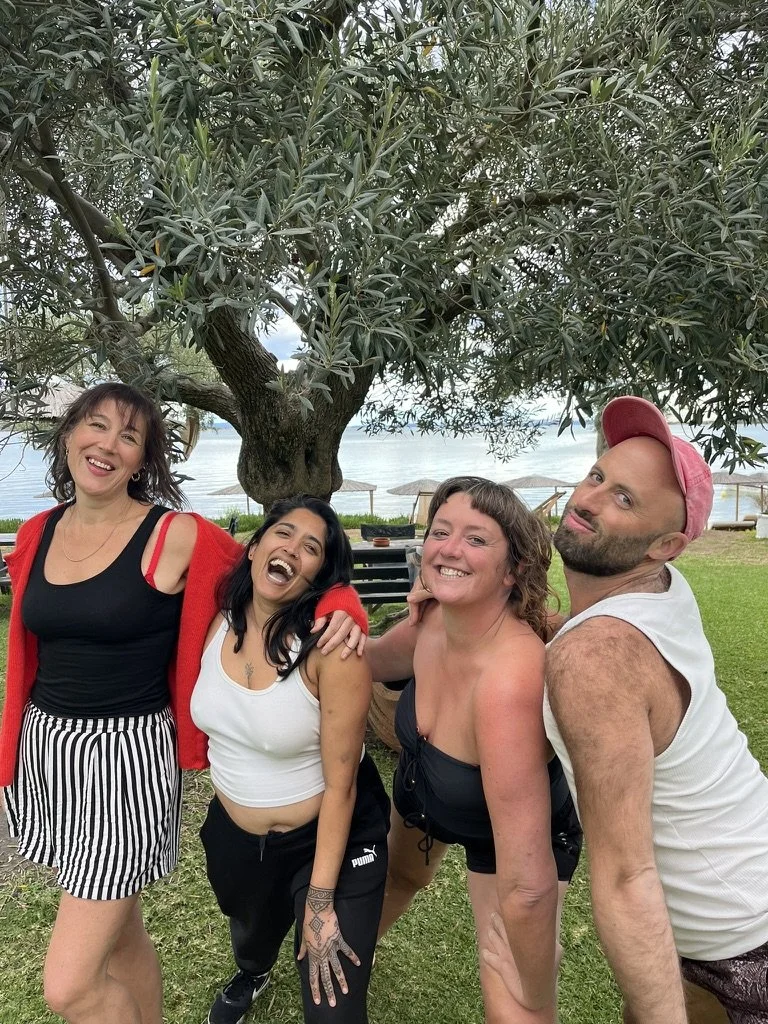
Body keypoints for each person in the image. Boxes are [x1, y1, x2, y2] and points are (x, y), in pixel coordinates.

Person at [0, 382, 367, 1024]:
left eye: (129, 436)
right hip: (47, 757)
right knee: (123, 933)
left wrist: (343, 608)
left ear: (144, 460)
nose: (107, 445)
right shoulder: (36, 532)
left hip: (121, 761)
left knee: (70, 986)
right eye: (95, 425)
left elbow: (272, 570)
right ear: (67, 434)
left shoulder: (173, 535)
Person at [526, 396, 768, 1024]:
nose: (588, 499)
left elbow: (627, 877)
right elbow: (604, 646)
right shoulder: (662, 591)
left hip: (742, 937)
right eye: (598, 475)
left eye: (625, 499)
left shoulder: (593, 659)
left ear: (666, 544)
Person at [364, 476, 582, 1024]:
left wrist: (532, 980)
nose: (450, 548)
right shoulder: (431, 623)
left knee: (511, 989)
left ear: (513, 571)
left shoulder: (510, 677)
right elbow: (365, 661)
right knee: (396, 880)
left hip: (511, 843)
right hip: (425, 802)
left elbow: (526, 886)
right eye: (441, 531)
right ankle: (349, 965)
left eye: (477, 539)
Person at [192, 495, 390, 1024]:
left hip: (328, 837)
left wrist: (320, 903)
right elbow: (172, 537)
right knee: (251, 932)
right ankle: (253, 971)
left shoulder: (331, 650)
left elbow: (342, 786)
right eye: (282, 534)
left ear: (318, 577)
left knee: (334, 1007)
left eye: (311, 549)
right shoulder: (211, 618)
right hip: (237, 835)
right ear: (254, 548)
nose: (292, 550)